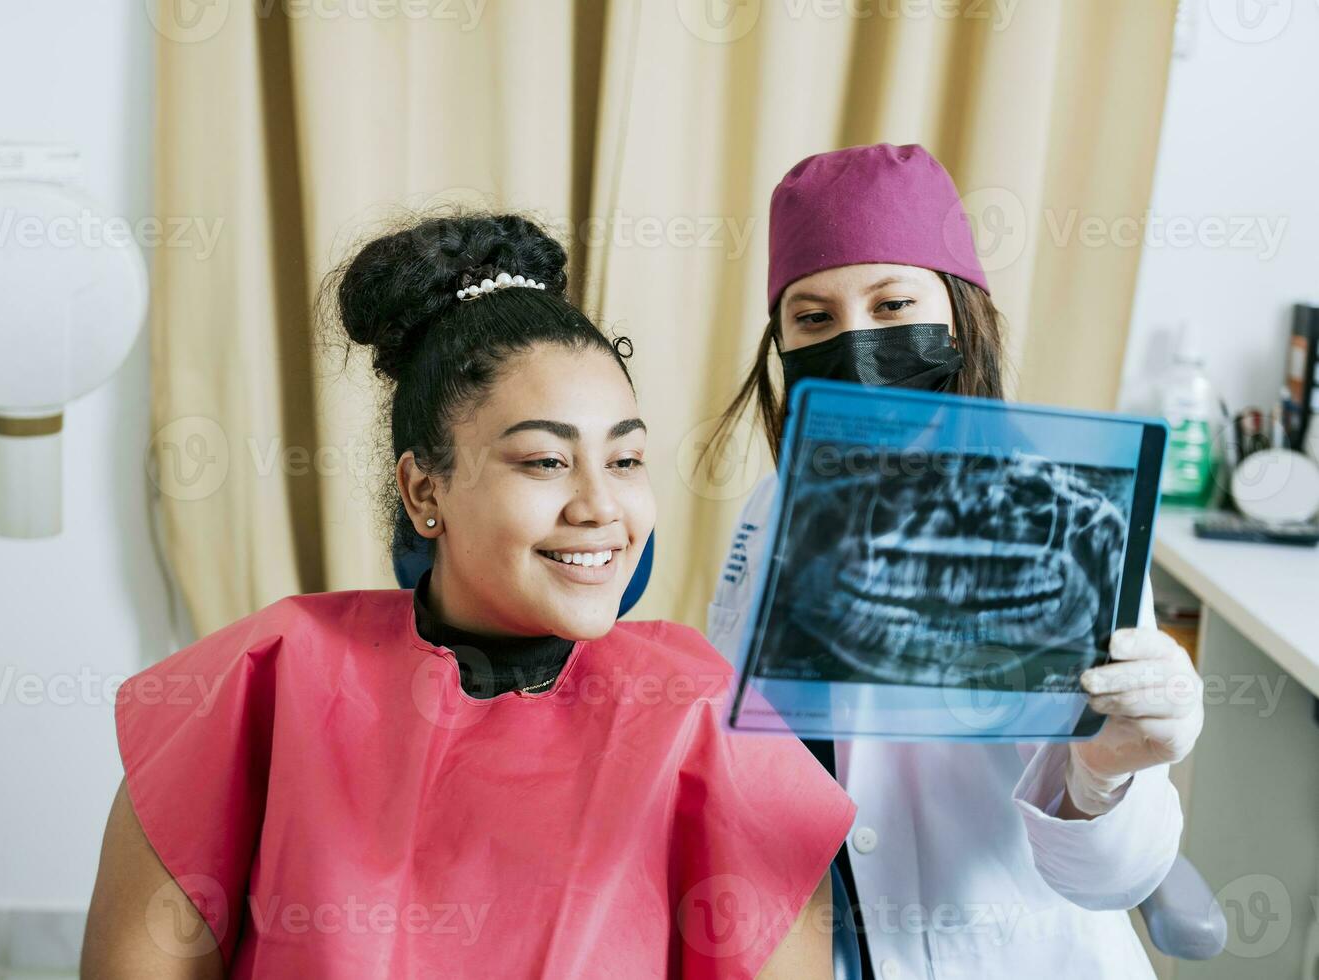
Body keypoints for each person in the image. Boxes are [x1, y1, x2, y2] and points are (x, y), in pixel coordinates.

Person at [80, 212, 856, 979]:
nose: (600, 507)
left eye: (625, 460)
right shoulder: (257, 681)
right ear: (426, 490)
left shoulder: (705, 719)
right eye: (546, 462)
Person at [704, 144, 1205, 979]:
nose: (857, 344)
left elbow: (1115, 875)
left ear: (960, 317)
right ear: (782, 346)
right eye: (813, 318)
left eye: (895, 304)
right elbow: (743, 762)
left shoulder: (1067, 517)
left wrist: (1104, 773)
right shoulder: (767, 515)